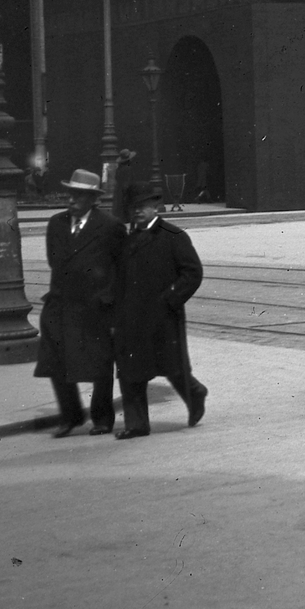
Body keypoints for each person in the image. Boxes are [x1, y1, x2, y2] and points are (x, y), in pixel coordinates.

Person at [34, 168, 126, 438]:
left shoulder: (110, 226)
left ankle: (102, 418)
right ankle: (70, 416)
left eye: (79, 196)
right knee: (56, 363)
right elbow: (54, 260)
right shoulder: (57, 223)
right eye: (70, 194)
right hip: (61, 303)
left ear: (92, 199)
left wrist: (108, 300)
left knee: (99, 365)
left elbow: (121, 268)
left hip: (94, 307)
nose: (71, 200)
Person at [113, 182, 208, 439]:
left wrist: (170, 300)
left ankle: (195, 393)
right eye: (134, 208)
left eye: (143, 207)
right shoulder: (128, 240)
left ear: (156, 208)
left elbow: (193, 273)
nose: (137, 212)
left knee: (173, 368)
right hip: (131, 317)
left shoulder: (173, 236)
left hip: (163, 316)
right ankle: (137, 424)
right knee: (131, 370)